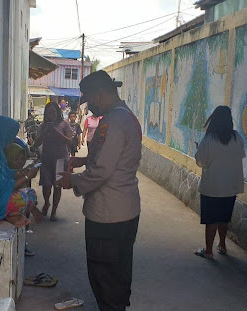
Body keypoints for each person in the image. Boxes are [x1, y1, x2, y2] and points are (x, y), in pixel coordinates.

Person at [58, 70, 142, 311]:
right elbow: (115, 158)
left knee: (104, 274)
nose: (89, 108)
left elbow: (102, 171)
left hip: (108, 214)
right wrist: (84, 160)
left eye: (89, 100)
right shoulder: (126, 117)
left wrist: (72, 181)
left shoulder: (113, 122)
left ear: (100, 94)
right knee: (119, 270)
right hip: (124, 210)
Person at [193, 106, 245, 259]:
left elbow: (200, 162)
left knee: (211, 219)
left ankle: (208, 251)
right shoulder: (237, 138)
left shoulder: (209, 139)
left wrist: (199, 150)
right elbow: (239, 156)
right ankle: (222, 245)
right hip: (231, 187)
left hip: (212, 187)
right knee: (224, 218)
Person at [34, 102, 73, 221]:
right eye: (49, 112)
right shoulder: (43, 126)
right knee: (46, 185)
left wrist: (57, 133)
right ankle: (46, 202)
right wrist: (45, 133)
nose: (51, 114)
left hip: (60, 159)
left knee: (57, 186)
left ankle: (54, 212)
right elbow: (36, 143)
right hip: (46, 159)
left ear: (58, 112)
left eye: (53, 112)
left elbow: (70, 141)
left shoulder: (64, 124)